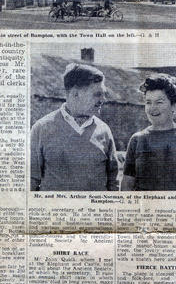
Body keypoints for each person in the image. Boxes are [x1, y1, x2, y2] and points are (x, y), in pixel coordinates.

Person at [31, 63, 119, 191]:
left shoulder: (104, 130)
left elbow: (113, 182)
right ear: (75, 94)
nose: (103, 99)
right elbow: (31, 181)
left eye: (103, 94)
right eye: (97, 94)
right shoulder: (41, 128)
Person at [121, 73, 176, 191]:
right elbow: (126, 186)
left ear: (174, 105)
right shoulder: (137, 140)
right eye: (148, 102)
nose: (152, 108)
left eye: (159, 102)